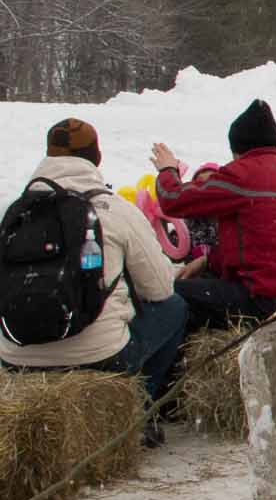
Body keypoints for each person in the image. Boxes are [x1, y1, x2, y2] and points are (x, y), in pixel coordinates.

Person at [0, 119, 186, 445]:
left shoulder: (14, 213)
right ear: (96, 158)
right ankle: (139, 409)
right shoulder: (114, 209)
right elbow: (159, 289)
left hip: (16, 358)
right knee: (176, 308)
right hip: (100, 358)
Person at [153, 101, 276, 330]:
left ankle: (167, 353)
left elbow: (173, 199)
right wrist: (209, 261)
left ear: (238, 148)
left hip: (272, 301)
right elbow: (259, 245)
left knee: (168, 293)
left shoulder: (243, 174)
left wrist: (167, 169)